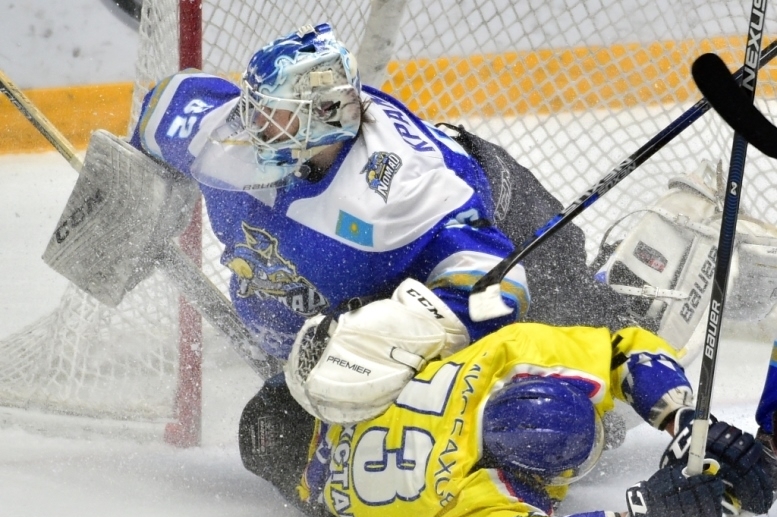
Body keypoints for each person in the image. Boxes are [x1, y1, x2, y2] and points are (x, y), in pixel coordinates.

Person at [129, 22, 632, 370]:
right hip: (372, 273)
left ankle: (630, 289)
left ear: (324, 117)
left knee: (581, 365)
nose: (252, 125)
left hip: (506, 214)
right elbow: (165, 106)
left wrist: (393, 342)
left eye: (274, 115)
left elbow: (494, 287)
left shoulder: (400, 193)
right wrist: (129, 201)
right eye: (254, 107)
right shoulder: (224, 135)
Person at [238, 315, 776, 517]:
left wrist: (683, 424)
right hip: (296, 460)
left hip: (290, 406)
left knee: (448, 321)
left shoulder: (484, 364)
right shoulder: (471, 499)